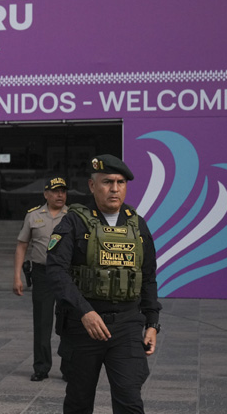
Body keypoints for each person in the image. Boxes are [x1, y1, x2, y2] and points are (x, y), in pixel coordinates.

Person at [46, 155, 162, 414]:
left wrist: (152, 323)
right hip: (83, 326)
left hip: (126, 325)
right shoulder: (74, 221)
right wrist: (84, 311)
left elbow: (148, 276)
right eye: (107, 182)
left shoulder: (136, 224)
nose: (114, 188)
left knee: (130, 401)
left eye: (121, 182)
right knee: (78, 401)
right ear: (91, 185)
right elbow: (56, 271)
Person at [13, 177, 69, 382]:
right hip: (42, 274)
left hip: (66, 275)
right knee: (42, 322)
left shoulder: (73, 215)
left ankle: (69, 368)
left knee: (68, 323)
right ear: (46, 194)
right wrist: (16, 276)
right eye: (55, 191)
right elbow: (22, 245)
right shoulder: (33, 216)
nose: (60, 195)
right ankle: (41, 367)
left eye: (63, 191)